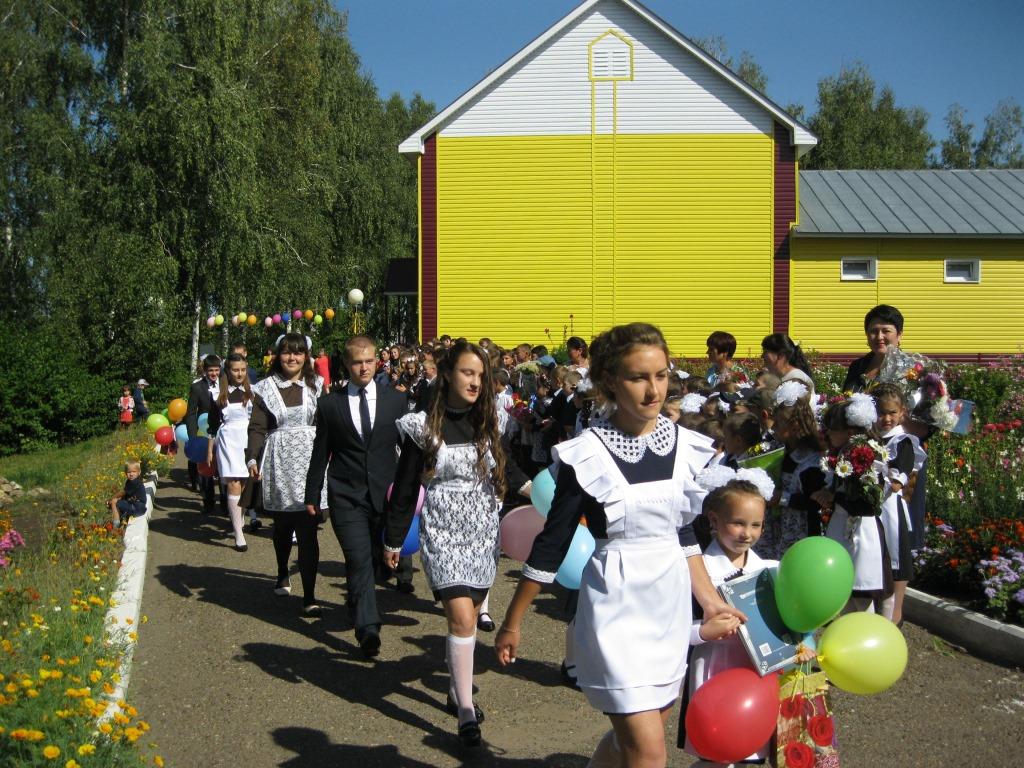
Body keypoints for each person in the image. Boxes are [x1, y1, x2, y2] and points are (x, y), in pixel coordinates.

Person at [496, 322, 745, 768]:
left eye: (661, 375)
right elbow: (553, 543)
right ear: (610, 381)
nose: (654, 390)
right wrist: (513, 621)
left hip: (669, 607)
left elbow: (683, 534)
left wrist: (709, 602)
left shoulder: (687, 445)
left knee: (628, 744)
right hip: (616, 608)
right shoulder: (586, 453)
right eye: (638, 377)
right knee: (648, 752)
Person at [385, 341, 530, 747]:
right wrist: (393, 537)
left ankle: (455, 686)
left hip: (482, 528)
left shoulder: (487, 421)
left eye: (481, 375)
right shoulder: (421, 427)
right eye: (468, 373)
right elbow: (405, 486)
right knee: (463, 618)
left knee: (474, 609)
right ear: (448, 374)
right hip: (442, 528)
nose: (476, 382)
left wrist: (537, 491)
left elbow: (507, 467)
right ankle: (465, 709)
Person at [679, 470, 815, 764]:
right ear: (714, 520)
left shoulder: (770, 570)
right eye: (738, 523)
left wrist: (803, 644)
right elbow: (673, 628)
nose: (747, 533)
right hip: (713, 670)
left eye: (756, 525)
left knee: (750, 751)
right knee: (715, 749)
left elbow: (794, 620)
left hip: (759, 677)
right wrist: (703, 632)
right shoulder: (697, 572)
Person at [303, 335, 410, 655]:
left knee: (378, 563)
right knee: (358, 557)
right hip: (346, 494)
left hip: (385, 494)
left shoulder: (396, 401)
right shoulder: (330, 404)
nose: (364, 368)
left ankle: (357, 600)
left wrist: (418, 485)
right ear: (347, 365)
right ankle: (368, 629)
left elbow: (408, 451)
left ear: (377, 361)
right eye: (357, 362)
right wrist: (312, 493)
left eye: (369, 361)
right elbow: (320, 451)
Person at [247, 334, 327, 615]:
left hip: (310, 463)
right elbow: (257, 427)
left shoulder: (317, 385)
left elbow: (327, 423)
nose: (292, 358)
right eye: (287, 353)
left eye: (298, 352)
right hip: (279, 462)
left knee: (308, 530)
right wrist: (252, 457)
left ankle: (309, 596)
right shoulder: (264, 388)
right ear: (278, 356)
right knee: (283, 527)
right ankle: (283, 570)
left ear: (306, 356)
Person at [815, 396, 893, 616]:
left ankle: (865, 631)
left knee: (861, 592)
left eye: (832, 430)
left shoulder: (865, 457)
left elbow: (865, 502)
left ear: (849, 432)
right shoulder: (842, 453)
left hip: (860, 531)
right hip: (843, 526)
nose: (827, 435)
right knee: (842, 591)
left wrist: (834, 497)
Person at [756, 381, 826, 560]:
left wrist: (782, 498)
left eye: (779, 423)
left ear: (794, 426)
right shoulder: (782, 451)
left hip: (803, 531)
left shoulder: (811, 462)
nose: (773, 427)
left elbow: (814, 503)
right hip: (781, 527)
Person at [873, 383, 917, 624]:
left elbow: (898, 481)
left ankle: (893, 617)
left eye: (892, 413)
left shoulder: (903, 441)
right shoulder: (871, 439)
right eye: (881, 413)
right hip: (873, 509)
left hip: (890, 508)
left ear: (901, 413)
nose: (887, 418)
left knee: (895, 558)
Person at [207, 353, 254, 552]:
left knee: (244, 483)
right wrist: (210, 449)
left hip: (248, 439)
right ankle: (238, 533)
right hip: (228, 440)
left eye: (243, 370)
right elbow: (212, 424)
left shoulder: (253, 392)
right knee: (234, 483)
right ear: (228, 371)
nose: (240, 374)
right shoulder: (218, 394)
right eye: (235, 370)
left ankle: (239, 517)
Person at [186, 356, 223, 515]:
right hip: (204, 432)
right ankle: (208, 502)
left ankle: (225, 503)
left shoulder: (226, 384)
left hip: (224, 432)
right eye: (210, 371)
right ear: (205, 371)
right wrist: (192, 436)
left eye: (216, 370)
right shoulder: (197, 387)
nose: (214, 374)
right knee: (206, 468)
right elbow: (191, 413)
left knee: (223, 467)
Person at [843, 304, 904, 393]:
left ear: (899, 335)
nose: (879, 337)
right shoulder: (857, 366)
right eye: (874, 331)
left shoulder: (910, 370)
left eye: (886, 331)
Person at [760, 333, 815, 401]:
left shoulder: (796, 379)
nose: (762, 356)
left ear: (780, 355)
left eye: (765, 352)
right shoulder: (776, 376)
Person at [109, 460, 147, 527]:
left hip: (137, 507)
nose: (131, 474)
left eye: (134, 471)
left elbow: (122, 493)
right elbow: (126, 494)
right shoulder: (132, 481)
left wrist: (111, 498)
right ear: (125, 473)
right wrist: (119, 498)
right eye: (129, 472)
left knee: (114, 502)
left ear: (139, 472)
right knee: (119, 501)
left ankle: (116, 524)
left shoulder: (134, 482)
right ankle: (122, 520)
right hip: (139, 507)